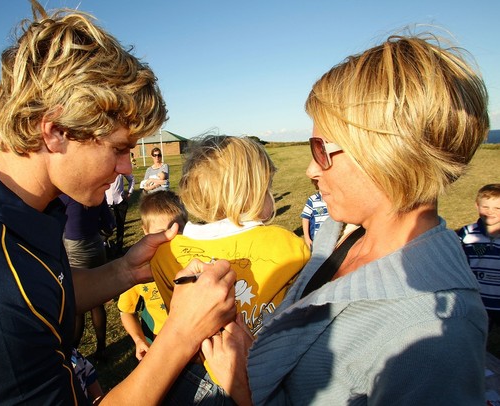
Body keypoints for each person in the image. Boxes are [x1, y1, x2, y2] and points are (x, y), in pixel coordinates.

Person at [0, 2, 236, 404]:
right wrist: (181, 335)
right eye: (119, 148)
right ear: (55, 132)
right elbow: (15, 302)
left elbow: (45, 290)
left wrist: (126, 270)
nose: (127, 168)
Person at [202, 32, 490, 405]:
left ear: (387, 152)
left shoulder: (438, 335)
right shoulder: (342, 232)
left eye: (321, 149)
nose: (311, 170)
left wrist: (243, 386)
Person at [151, 135, 310, 404]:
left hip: (187, 378)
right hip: (259, 372)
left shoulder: (166, 254)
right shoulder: (289, 247)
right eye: (268, 186)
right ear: (252, 192)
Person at [118, 190, 188, 360]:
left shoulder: (197, 260)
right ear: (145, 231)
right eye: (161, 232)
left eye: (178, 229)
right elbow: (126, 311)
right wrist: (139, 340)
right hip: (159, 343)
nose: (171, 237)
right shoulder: (139, 270)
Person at [60, 194, 115, 358]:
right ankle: (102, 348)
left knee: (78, 305)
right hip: (96, 246)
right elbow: (109, 224)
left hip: (75, 248)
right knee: (97, 301)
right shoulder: (97, 193)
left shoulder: (65, 196)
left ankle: (73, 352)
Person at [458, 184, 500, 333]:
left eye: (497, 208)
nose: (490, 212)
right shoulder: (466, 233)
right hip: (477, 300)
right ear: (477, 206)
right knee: (477, 337)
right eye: (485, 207)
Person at [105, 173, 135, 257]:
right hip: (107, 203)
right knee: (107, 226)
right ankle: (106, 247)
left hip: (120, 202)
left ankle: (119, 249)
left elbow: (131, 179)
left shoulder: (120, 169)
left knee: (120, 226)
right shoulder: (104, 169)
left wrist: (130, 192)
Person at [300, 179, 329, 249]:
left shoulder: (335, 199)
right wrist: (307, 238)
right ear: (316, 184)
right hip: (317, 238)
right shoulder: (312, 200)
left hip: (331, 237)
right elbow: (305, 218)